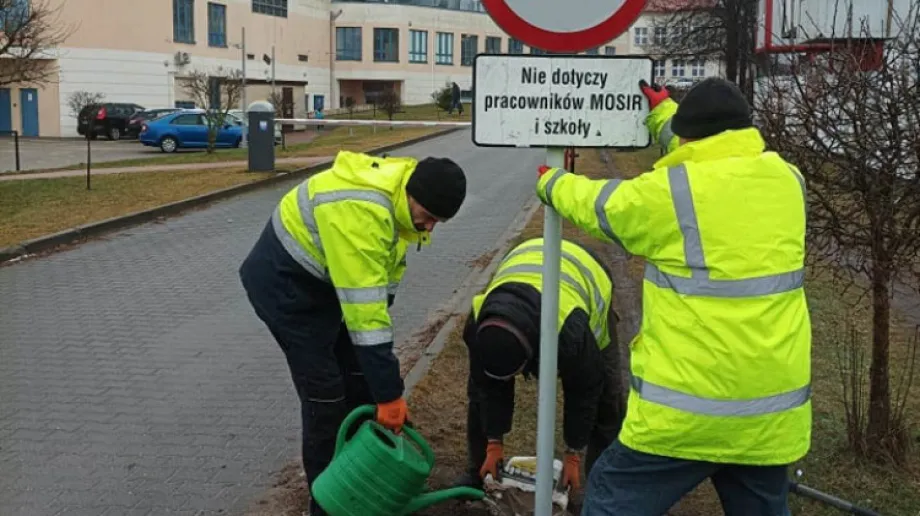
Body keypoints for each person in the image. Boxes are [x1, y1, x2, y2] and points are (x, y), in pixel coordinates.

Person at [534, 77, 812, 516]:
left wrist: (553, 183)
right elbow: (711, 154)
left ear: (690, 135)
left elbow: (604, 205)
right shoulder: (788, 180)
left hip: (687, 414)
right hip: (768, 417)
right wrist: (665, 112)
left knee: (610, 493)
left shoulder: (668, 194)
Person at [239, 150, 467, 516]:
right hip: (285, 287)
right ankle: (328, 504)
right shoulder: (363, 213)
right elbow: (367, 318)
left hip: (327, 284)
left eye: (438, 222)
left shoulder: (401, 203)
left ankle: (364, 480)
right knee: (326, 396)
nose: (429, 229)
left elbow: (379, 293)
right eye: (428, 218)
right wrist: (391, 395)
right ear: (413, 196)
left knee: (359, 383)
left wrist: (378, 387)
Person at [454, 237, 626, 496]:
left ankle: (602, 491)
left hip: (586, 272)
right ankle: (478, 471)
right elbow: (487, 388)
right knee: (479, 393)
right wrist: (493, 442)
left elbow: (583, 392)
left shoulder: (570, 332)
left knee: (607, 398)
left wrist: (573, 453)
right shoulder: (479, 324)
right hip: (526, 259)